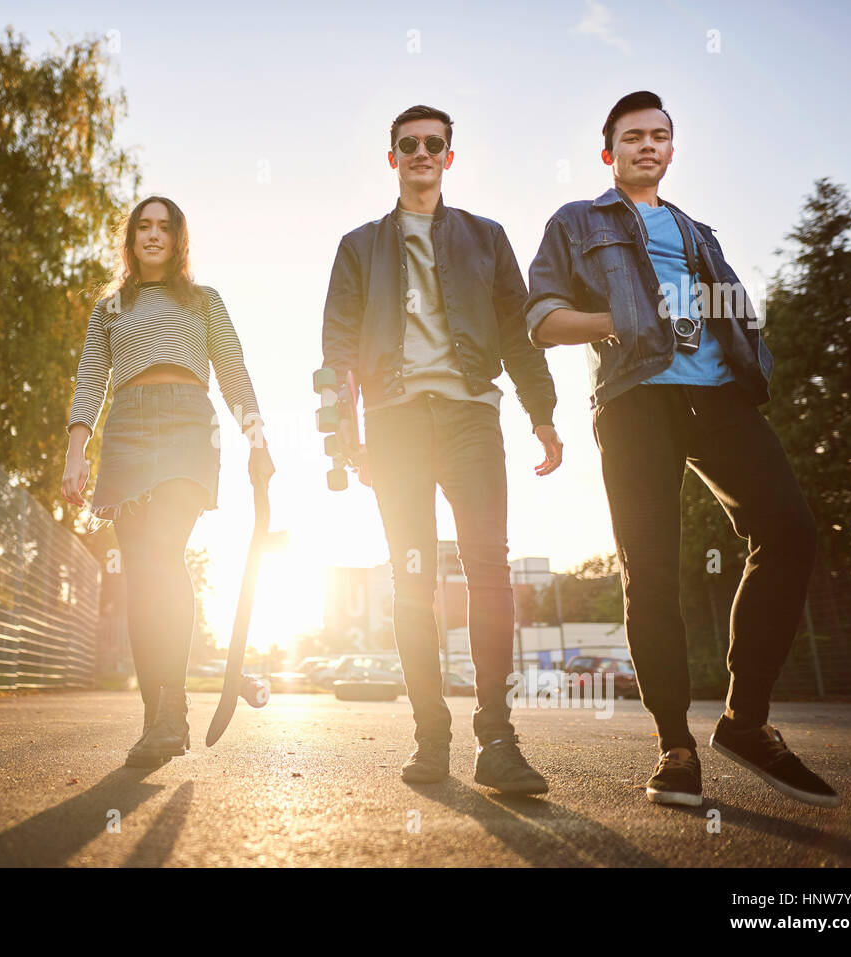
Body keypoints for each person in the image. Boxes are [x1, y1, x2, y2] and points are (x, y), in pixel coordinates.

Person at [525, 91, 840, 808]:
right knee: (652, 570)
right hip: (637, 399)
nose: (647, 145)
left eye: (659, 135)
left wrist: (748, 348)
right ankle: (675, 745)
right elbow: (541, 318)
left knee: (789, 531)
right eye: (632, 136)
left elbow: (728, 308)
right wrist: (624, 319)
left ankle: (745, 721)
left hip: (720, 396)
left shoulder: (699, 232)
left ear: (671, 149)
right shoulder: (578, 222)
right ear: (610, 152)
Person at [321, 105, 564, 791]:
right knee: (412, 582)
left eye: (435, 144)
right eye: (409, 144)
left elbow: (519, 333)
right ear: (392, 157)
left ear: (449, 157)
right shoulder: (358, 246)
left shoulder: (486, 239)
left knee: (490, 570)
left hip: (470, 421)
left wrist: (541, 412)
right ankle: (432, 738)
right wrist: (346, 437)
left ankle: (497, 741)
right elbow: (337, 348)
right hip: (395, 427)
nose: (422, 153)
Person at [62, 195, 274, 768]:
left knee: (161, 553)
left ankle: (173, 708)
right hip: (127, 428)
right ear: (130, 240)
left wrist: (257, 439)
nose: (153, 235)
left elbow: (233, 372)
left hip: (187, 424)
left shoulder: (205, 302)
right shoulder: (109, 308)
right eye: (143, 227)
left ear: (179, 239)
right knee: (139, 576)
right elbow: (89, 380)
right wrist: (75, 450)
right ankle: (156, 717)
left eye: (165, 227)